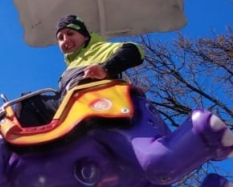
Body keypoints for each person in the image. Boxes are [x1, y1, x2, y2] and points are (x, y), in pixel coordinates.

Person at [16, 15, 144, 127]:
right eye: (61, 38)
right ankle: (33, 143)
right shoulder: (69, 69)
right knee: (27, 102)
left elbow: (134, 50)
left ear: (85, 36)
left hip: (97, 100)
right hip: (68, 105)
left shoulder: (98, 49)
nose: (66, 40)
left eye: (70, 33)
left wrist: (106, 69)